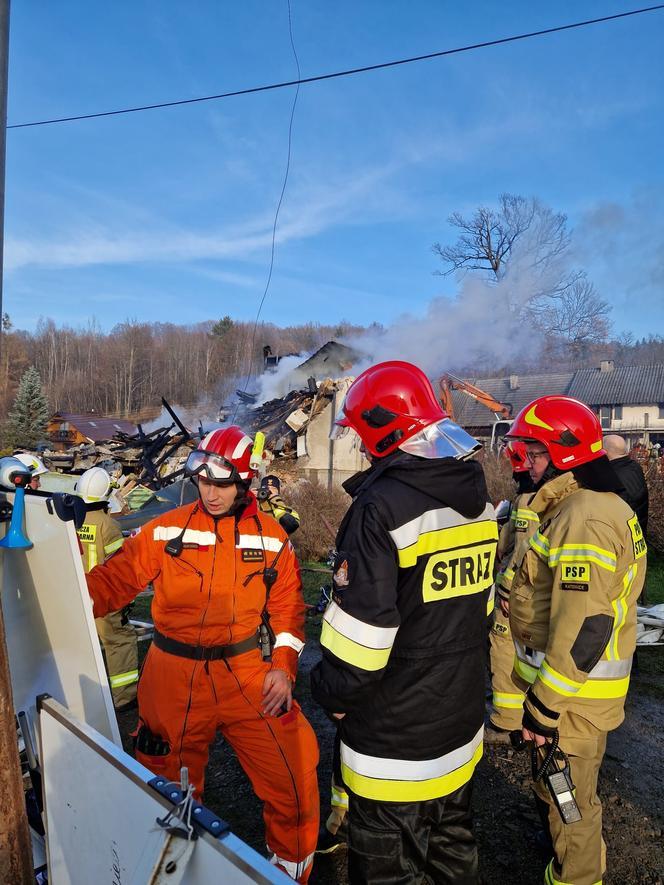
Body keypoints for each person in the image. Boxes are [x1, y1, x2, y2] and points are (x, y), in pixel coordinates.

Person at [86, 427, 319, 882]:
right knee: (167, 793)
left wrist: (285, 668)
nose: (210, 493)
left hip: (247, 672)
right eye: (203, 482)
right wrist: (48, 593)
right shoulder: (166, 529)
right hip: (171, 675)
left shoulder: (272, 538)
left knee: (295, 780)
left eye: (222, 483)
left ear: (244, 482)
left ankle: (290, 874)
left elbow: (289, 608)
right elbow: (112, 582)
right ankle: (175, 873)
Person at [311, 360, 498, 884]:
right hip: (457, 726)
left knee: (389, 872)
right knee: (453, 856)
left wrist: (330, 691)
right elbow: (474, 613)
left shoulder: (380, 507)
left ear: (380, 433)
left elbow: (362, 646)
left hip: (393, 743)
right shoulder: (477, 501)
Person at [505, 396, 645, 885]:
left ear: (562, 454)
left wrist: (543, 706)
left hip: (571, 701)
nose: (521, 465)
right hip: (568, 694)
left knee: (570, 804)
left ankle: (578, 878)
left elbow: (587, 626)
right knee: (561, 793)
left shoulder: (583, 515)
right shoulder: (578, 504)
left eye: (531, 453)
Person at [75, 467, 139, 712]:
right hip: (103, 595)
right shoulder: (108, 525)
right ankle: (124, 697)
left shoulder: (71, 520)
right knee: (119, 641)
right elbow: (120, 565)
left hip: (78, 591)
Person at [486, 440, 538, 742]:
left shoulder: (529, 502)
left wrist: (505, 590)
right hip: (534, 593)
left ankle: (506, 719)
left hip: (520, 593)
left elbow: (519, 552)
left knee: (503, 646)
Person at [603, 434, 649, 534]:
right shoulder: (634, 466)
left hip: (623, 536)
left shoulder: (612, 476)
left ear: (604, 452)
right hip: (638, 533)